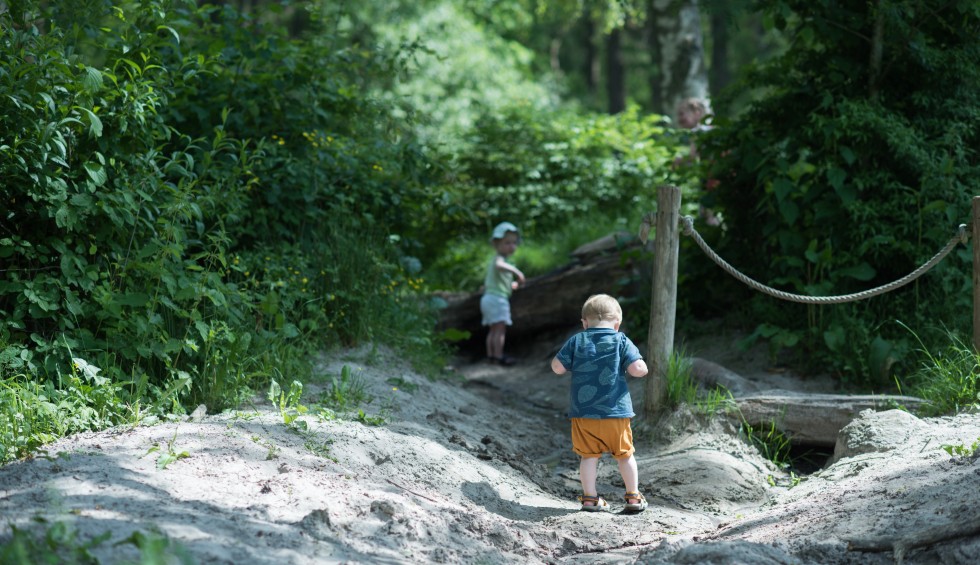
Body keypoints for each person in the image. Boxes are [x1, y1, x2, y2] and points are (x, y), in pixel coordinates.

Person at [550, 294, 649, 513]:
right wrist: (642, 367)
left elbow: (557, 368)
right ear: (617, 323)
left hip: (584, 414)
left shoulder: (577, 340)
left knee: (588, 456)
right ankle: (633, 497)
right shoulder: (621, 340)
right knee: (625, 455)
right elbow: (637, 369)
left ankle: (590, 500)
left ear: (585, 323)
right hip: (616, 413)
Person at [480, 221, 525, 365]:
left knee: (493, 330)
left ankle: (491, 356)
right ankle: (498, 356)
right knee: (500, 330)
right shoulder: (499, 259)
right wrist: (517, 272)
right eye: (507, 243)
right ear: (496, 244)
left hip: (489, 298)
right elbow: (499, 266)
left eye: (514, 243)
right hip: (497, 299)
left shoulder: (503, 261)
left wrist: (513, 285)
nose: (511, 246)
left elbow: (500, 280)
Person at [674, 97, 720, 226]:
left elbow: (692, 157)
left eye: (682, 114)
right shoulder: (711, 128)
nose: (679, 119)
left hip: (712, 174)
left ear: (697, 112)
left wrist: (679, 161)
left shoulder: (698, 131)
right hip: (720, 172)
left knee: (707, 212)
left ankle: (709, 232)